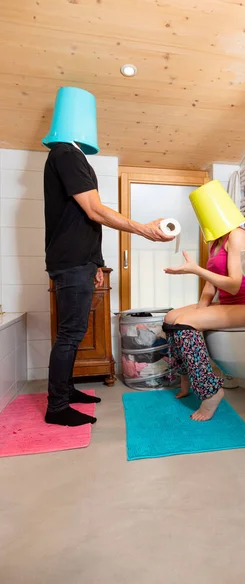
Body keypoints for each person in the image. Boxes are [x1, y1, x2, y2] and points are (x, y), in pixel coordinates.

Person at [42, 86, 173, 427]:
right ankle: (56, 406)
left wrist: (97, 263)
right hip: (70, 262)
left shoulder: (71, 156)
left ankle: (67, 390)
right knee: (70, 334)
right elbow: (95, 210)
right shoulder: (65, 154)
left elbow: (83, 219)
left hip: (78, 262)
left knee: (74, 330)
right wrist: (143, 229)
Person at [163, 180, 245, 422]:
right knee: (171, 318)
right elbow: (211, 285)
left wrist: (196, 270)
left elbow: (233, 284)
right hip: (230, 304)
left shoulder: (237, 236)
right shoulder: (215, 242)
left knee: (184, 325)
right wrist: (199, 312)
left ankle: (211, 392)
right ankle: (187, 377)